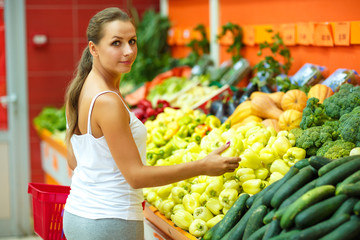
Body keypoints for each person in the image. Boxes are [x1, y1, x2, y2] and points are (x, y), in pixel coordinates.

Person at [62, 7, 240, 240]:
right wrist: (203, 166)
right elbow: (136, 176)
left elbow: (75, 161)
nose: (128, 51)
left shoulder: (80, 89)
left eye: (132, 41)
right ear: (93, 48)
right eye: (116, 43)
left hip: (78, 215)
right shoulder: (107, 101)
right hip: (110, 222)